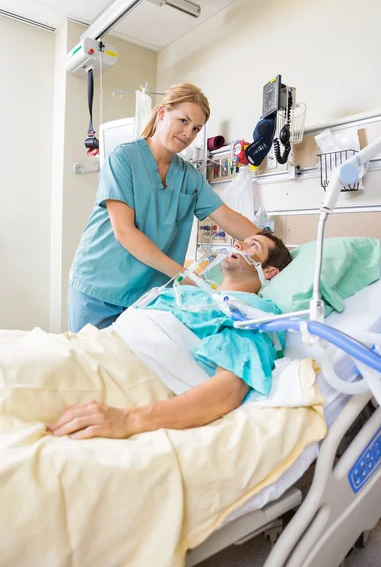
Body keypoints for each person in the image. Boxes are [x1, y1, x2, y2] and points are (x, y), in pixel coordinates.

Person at [48, 229, 292, 440]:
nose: (239, 244)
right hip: (89, 348)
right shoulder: (192, 294)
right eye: (242, 240)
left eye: (254, 245)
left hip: (126, 374)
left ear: (269, 272)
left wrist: (127, 420)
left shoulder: (252, 311)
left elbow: (228, 390)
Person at [68, 83, 260, 333]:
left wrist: (270, 244)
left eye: (196, 128)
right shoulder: (124, 159)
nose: (188, 133)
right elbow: (124, 232)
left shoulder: (189, 177)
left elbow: (227, 217)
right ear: (161, 113)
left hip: (145, 297)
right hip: (99, 287)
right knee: (87, 366)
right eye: (183, 121)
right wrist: (183, 275)